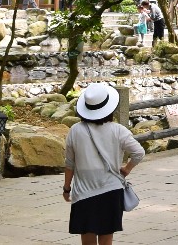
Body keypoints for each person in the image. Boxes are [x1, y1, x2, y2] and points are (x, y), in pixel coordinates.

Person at [63, 81, 143, 245]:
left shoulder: (75, 131)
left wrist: (66, 188)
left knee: (87, 241)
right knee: (106, 240)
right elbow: (139, 153)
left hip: (83, 194)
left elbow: (69, 163)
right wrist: (126, 169)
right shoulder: (118, 130)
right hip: (111, 191)